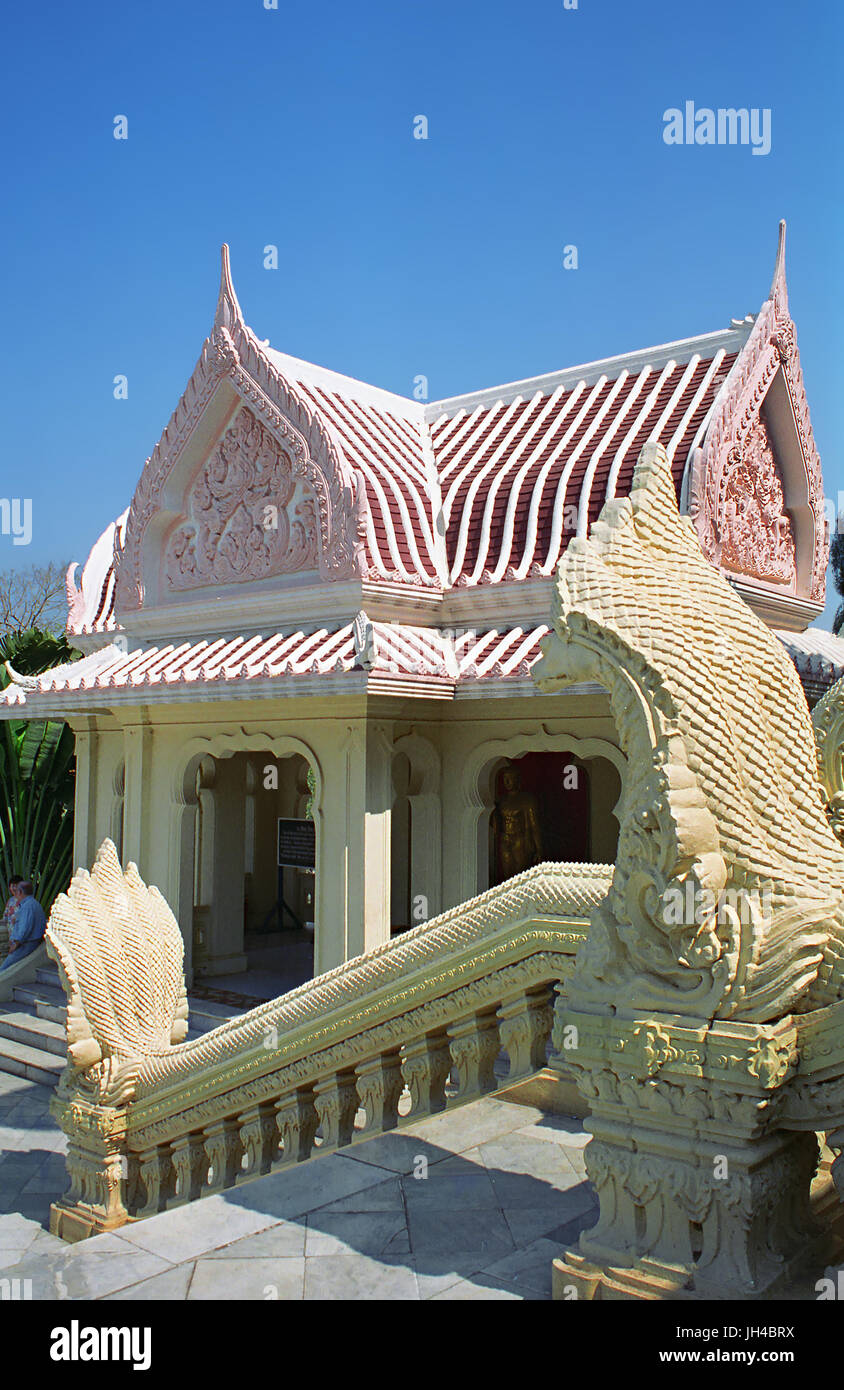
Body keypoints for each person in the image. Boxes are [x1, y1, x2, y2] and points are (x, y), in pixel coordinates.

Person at [0, 880, 47, 972]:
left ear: (20, 892)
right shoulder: (33, 903)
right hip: (30, 942)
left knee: (4, 969)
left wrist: (16, 944)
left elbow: (24, 929)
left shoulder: (28, 906)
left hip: (26, 944)